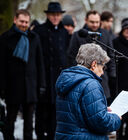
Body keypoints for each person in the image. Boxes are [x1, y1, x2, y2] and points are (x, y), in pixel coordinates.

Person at [55, 43, 121, 139]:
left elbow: (78, 112)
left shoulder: (66, 79)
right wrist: (116, 118)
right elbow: (100, 122)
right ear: (94, 64)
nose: (102, 72)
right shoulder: (91, 84)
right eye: (102, 67)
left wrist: (100, 109)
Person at [0, 9, 45, 140]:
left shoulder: (34, 38)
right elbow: (1, 66)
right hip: (12, 87)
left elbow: (39, 63)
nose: (24, 24)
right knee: (10, 120)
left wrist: (41, 84)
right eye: (21, 21)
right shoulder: (5, 38)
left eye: (26, 22)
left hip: (30, 86)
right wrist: (2, 87)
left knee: (29, 122)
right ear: (15, 20)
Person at [33, 2, 69, 139]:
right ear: (48, 15)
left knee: (56, 111)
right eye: (53, 15)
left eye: (58, 15)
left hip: (59, 79)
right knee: (42, 111)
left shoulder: (64, 32)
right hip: (44, 77)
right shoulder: (39, 30)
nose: (55, 17)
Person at [68, 10, 116, 104]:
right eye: (92, 22)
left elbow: (111, 56)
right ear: (86, 20)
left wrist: (112, 74)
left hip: (103, 80)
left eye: (97, 22)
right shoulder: (77, 35)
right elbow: (71, 57)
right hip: (82, 81)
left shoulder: (105, 34)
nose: (95, 25)